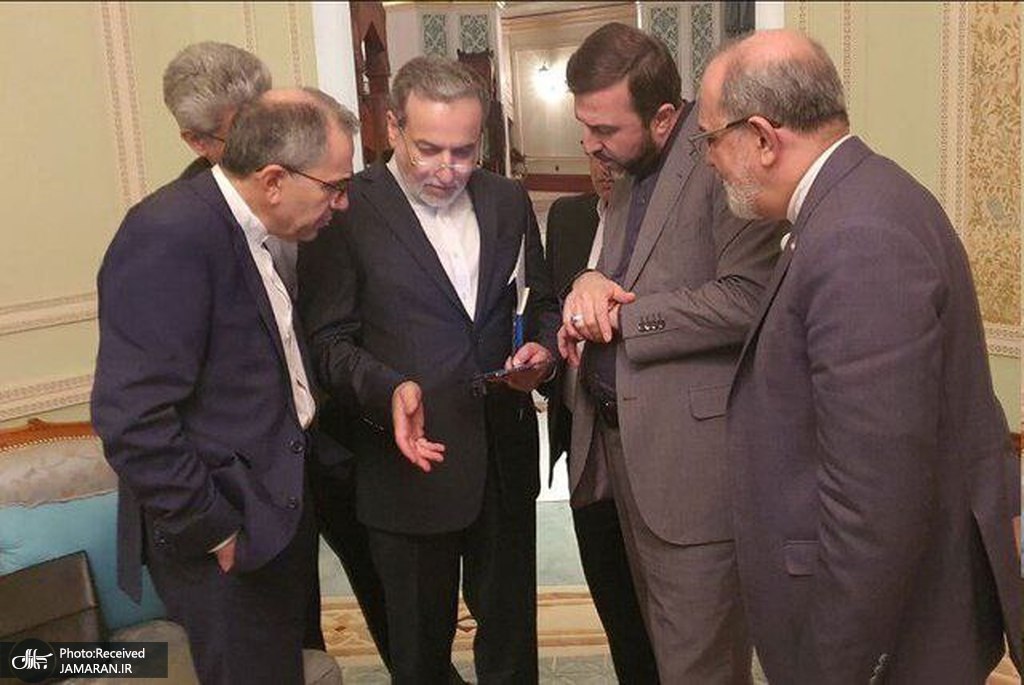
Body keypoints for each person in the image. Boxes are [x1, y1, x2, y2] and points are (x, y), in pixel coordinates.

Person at [697, 29, 1023, 683]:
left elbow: (875, 503)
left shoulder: (857, 237)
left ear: (762, 138)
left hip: (890, 639)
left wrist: (836, 667)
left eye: (711, 139)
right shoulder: (857, 198)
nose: (709, 161)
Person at [298, 56, 559, 684]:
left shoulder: (506, 199)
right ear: (393, 128)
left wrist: (544, 353)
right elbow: (327, 343)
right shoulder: (346, 208)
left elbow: (543, 304)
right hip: (407, 465)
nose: (448, 169)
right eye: (429, 149)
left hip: (502, 458)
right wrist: (389, 389)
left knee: (512, 645)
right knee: (418, 652)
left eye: (464, 151)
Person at [91, 88, 357, 685]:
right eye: (333, 187)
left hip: (270, 510)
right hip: (224, 531)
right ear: (273, 180)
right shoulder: (169, 235)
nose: (341, 204)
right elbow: (131, 417)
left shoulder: (250, 229)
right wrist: (213, 527)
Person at [558, 23, 780, 683]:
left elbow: (749, 297)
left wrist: (624, 319)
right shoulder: (629, 166)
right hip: (621, 447)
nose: (590, 145)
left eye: (604, 129)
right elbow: (622, 269)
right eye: (584, 126)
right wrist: (587, 281)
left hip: (689, 466)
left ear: (661, 118)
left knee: (700, 660)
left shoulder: (721, 160)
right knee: (654, 647)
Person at [543, 154, 659, 683]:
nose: (605, 167)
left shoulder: (663, 226)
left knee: (666, 613)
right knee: (614, 602)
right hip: (582, 439)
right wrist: (543, 355)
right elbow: (549, 309)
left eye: (615, 154)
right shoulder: (567, 218)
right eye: (594, 154)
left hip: (651, 446)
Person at [162, 41, 272, 180]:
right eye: (246, 137)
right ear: (198, 141)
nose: (270, 143)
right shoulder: (190, 194)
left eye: (272, 121)